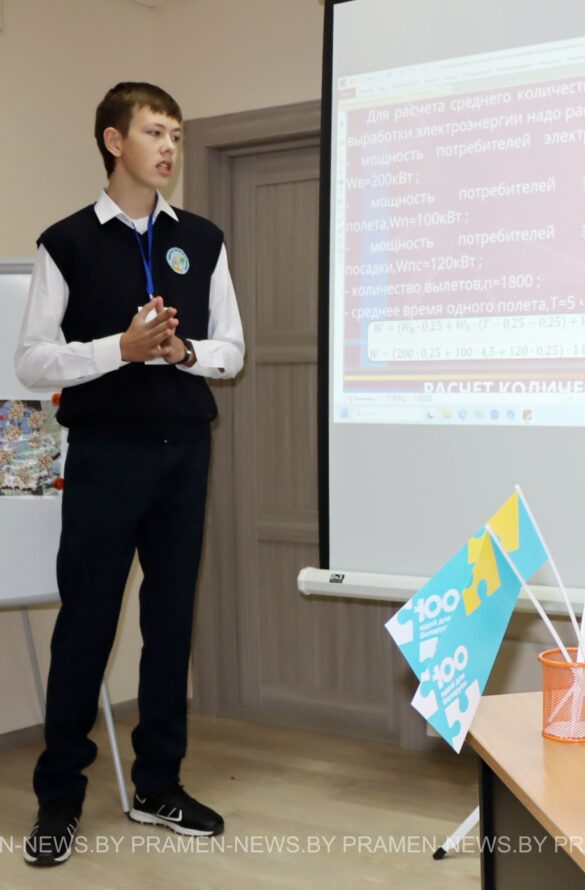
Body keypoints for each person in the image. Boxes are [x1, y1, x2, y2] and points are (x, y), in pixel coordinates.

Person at [15, 82, 245, 867]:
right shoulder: (67, 242)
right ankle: (58, 797)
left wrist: (182, 352)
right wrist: (120, 349)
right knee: (86, 625)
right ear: (114, 142)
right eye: (155, 132)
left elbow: (232, 350)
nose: (170, 147)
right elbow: (32, 360)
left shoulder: (203, 240)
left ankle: (158, 786)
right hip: (106, 456)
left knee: (170, 623)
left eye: (176, 133)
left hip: (184, 454)